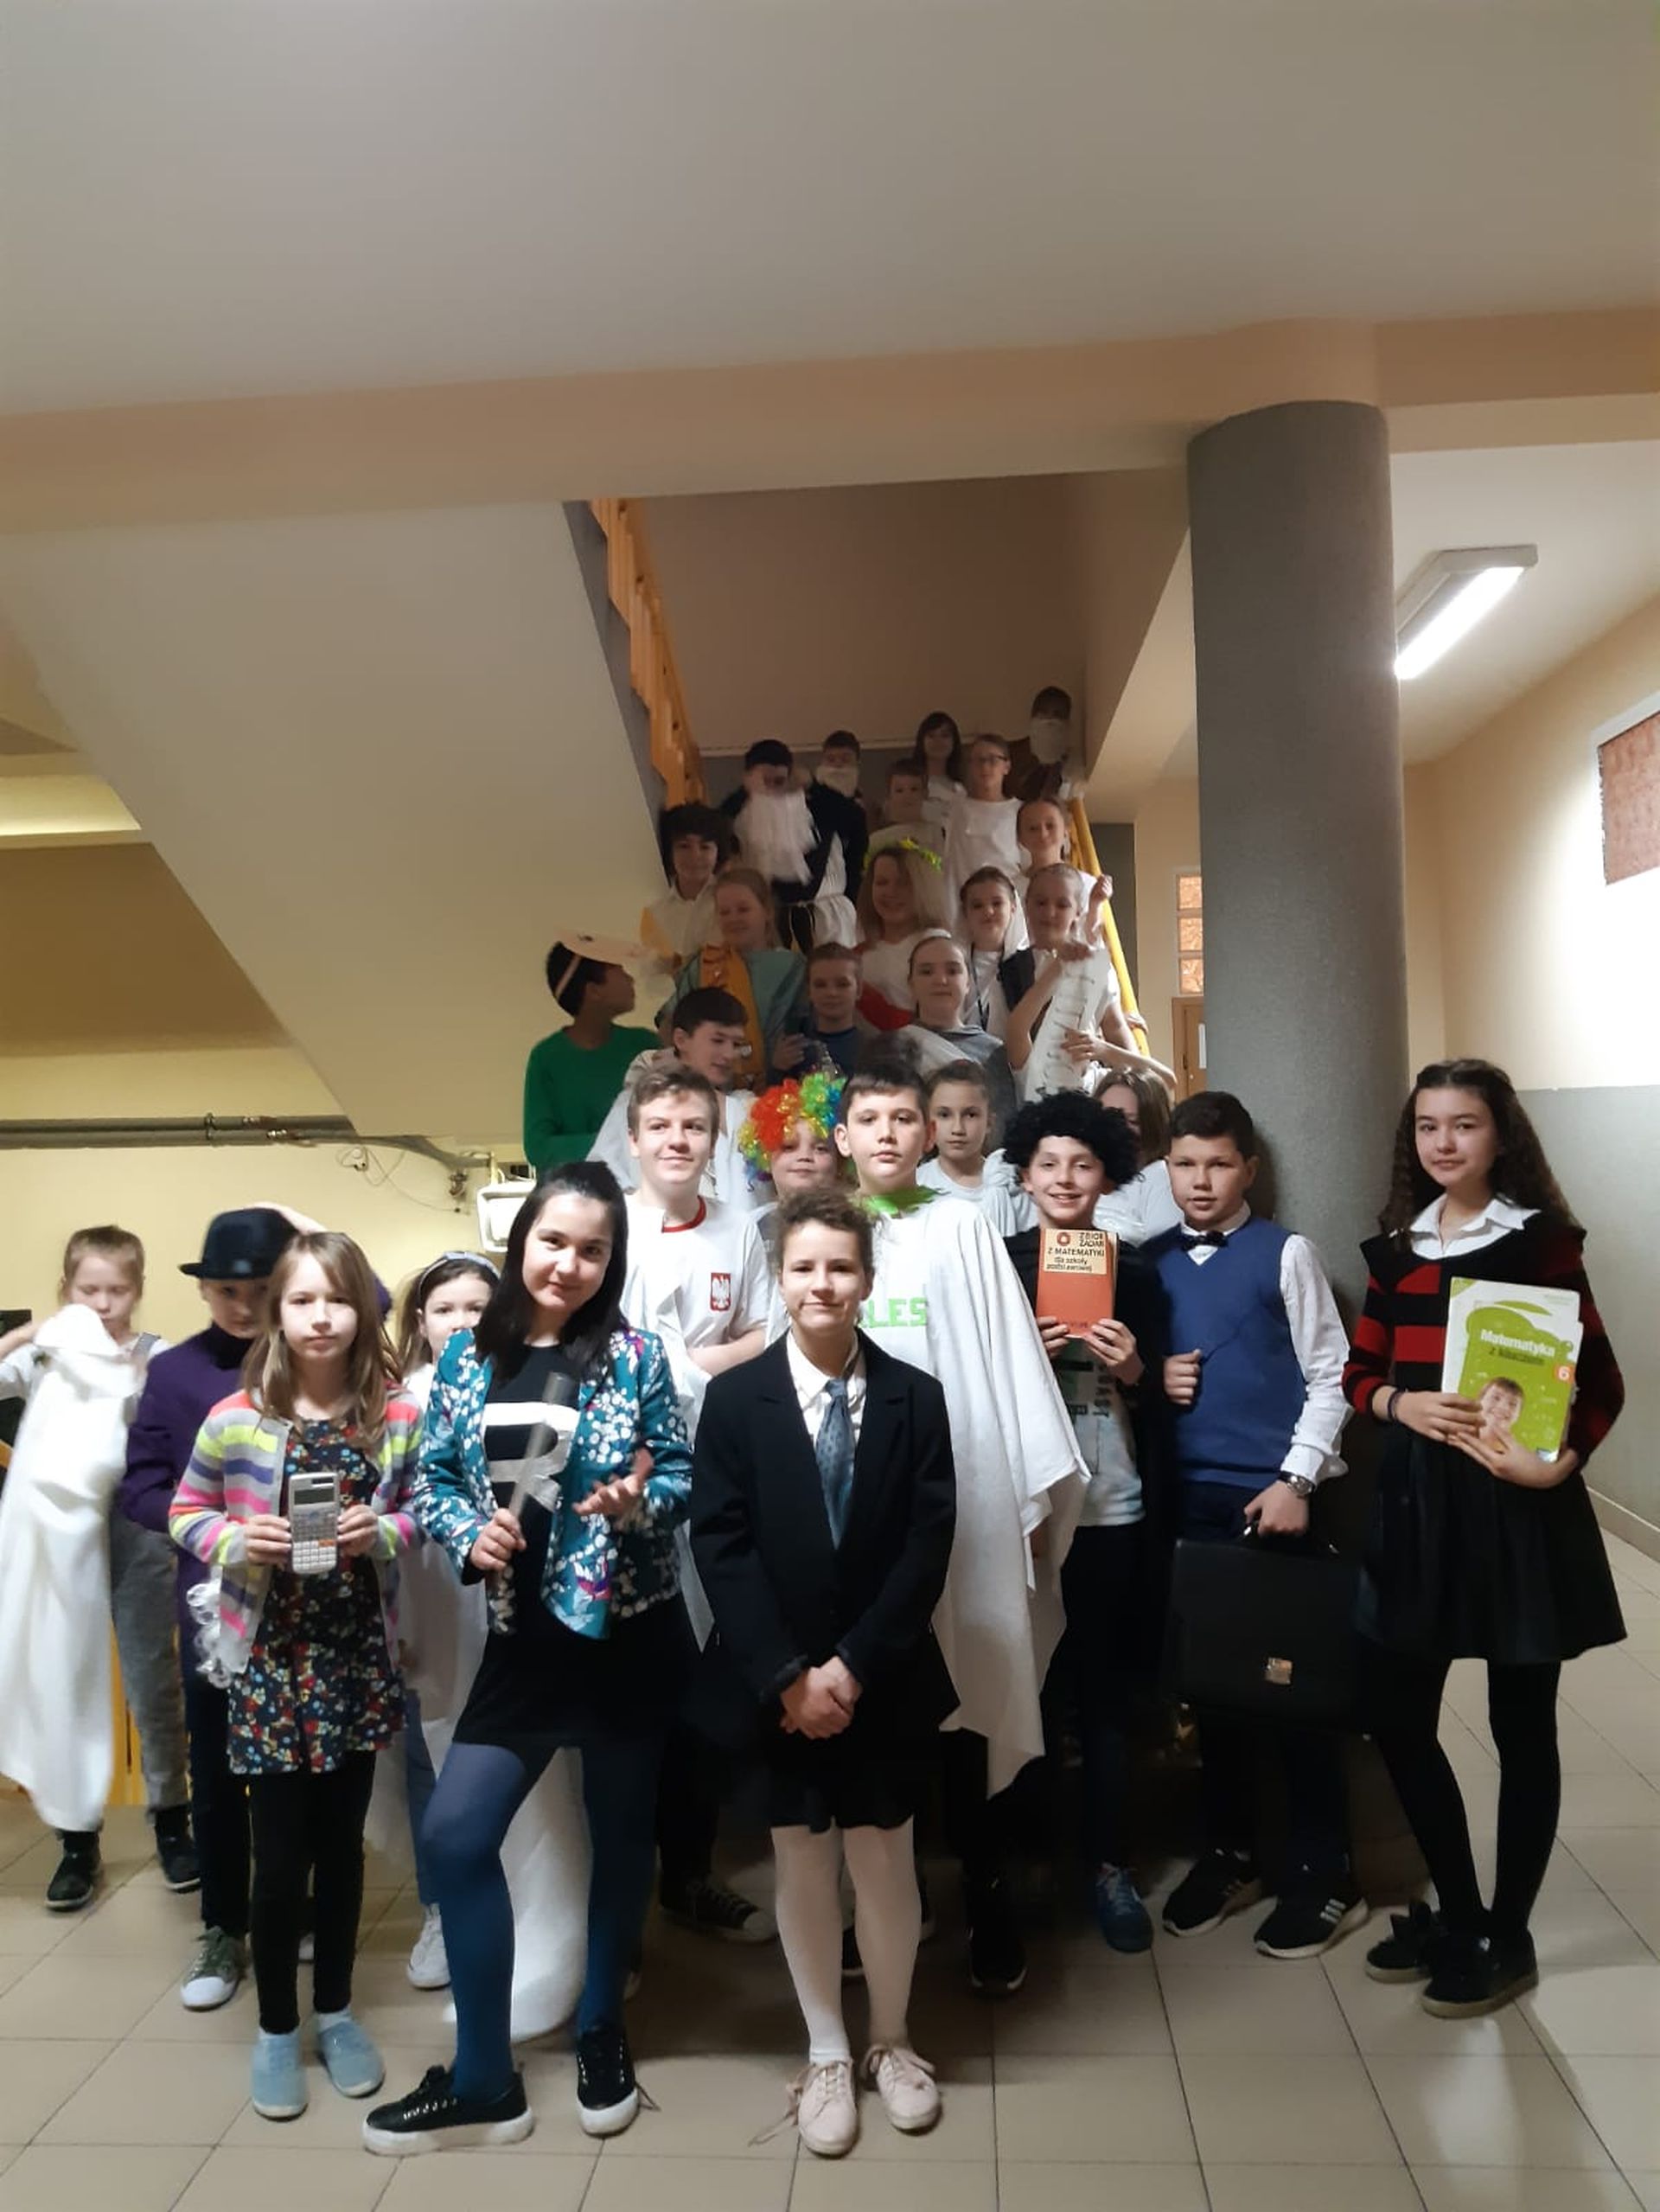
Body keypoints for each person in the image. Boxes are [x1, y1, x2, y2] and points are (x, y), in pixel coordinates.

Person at [366, 1165, 693, 2152]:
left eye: (593, 1249)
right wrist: (468, 1532)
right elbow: (436, 1478)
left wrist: (638, 1502)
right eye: (554, 1241)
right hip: (523, 1642)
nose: (569, 1263)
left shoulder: (634, 1355)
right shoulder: (470, 1359)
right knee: (457, 1836)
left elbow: (680, 1474)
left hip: (626, 1635)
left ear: (611, 1260)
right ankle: (484, 2079)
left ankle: (600, 2026)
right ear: (522, 1243)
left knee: (621, 1835)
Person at [1343, 1058, 1626, 2018]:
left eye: (1464, 1124)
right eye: (1428, 1126)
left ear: (1501, 1136)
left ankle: (1510, 1932)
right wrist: (1401, 1403)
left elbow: (1601, 1382)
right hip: (1420, 1503)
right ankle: (1460, 1914)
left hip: (1517, 1511)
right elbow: (1358, 1374)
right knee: (1397, 1713)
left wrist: (1559, 1465)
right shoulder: (1395, 1251)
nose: (1445, 1142)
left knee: (1521, 1724)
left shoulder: (1541, 1244)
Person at [693, 1189, 956, 2158]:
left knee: (885, 1856)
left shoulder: (916, 1396)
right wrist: (788, 1675)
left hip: (883, 1673)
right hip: (779, 1683)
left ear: (868, 1280)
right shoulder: (735, 1400)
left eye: (841, 1266)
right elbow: (721, 1545)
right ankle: (827, 2049)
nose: (822, 1283)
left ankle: (892, 2038)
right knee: (803, 1856)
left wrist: (854, 1664)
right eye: (804, 1266)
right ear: (780, 1277)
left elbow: (928, 1543)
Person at [834, 1059, 1083, 1995]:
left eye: (905, 1118)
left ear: (929, 1133)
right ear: (844, 1136)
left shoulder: (961, 1225)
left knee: (971, 1701)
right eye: (871, 1119)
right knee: (873, 1709)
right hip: (855, 1510)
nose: (889, 1134)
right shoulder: (822, 1228)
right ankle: (887, 1901)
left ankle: (987, 1894)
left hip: (964, 1501)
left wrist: (1025, 1497)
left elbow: (1008, 1360)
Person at [170, 1231, 420, 2123]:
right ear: (278, 1311)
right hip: (270, 1664)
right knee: (277, 1861)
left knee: (342, 1852)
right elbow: (185, 1509)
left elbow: (421, 1511)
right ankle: (278, 2027)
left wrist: (379, 1532)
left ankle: (337, 2011)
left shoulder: (395, 1415)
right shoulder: (235, 1416)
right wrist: (238, 1539)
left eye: (337, 1299)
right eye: (303, 1299)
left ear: (362, 1310)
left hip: (354, 1659)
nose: (320, 1317)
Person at [1149, 1092, 1363, 1960]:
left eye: (1218, 1164)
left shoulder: (1287, 1252)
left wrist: (1295, 1477)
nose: (1200, 1181)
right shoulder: (1147, 1259)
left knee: (1294, 1695)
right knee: (1214, 1696)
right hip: (1181, 1505)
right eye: (1185, 1164)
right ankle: (1230, 1852)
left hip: (1270, 1502)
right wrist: (1150, 1374)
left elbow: (1333, 1373)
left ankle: (1327, 1870)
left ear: (1249, 1168)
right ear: (1166, 1168)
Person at [1002, 1093, 1171, 1950]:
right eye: (1050, 1164)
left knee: (1105, 1696)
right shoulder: (997, 1266)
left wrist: (1136, 1366)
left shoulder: (1135, 1270)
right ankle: (1028, 1862)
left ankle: (1109, 1862)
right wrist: (1018, 1357)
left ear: (1108, 1175)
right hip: (1023, 1511)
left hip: (1111, 1503)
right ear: (1025, 1175)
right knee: (1025, 1694)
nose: (1066, 1179)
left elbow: (1166, 1396)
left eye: (1084, 1164)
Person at [122, 1205, 297, 2008]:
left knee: (300, 1775)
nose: (243, 1305)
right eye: (227, 1290)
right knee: (221, 1774)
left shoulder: (318, 1355)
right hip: (212, 1605)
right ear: (204, 1290)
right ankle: (223, 1927)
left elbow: (370, 1295)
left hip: (309, 1603)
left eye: (262, 1289)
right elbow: (141, 1486)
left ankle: (294, 1911)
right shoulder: (176, 1372)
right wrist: (216, 1528)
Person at [617, 1064, 776, 1945]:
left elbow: (763, 1331)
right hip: (620, 1482)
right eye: (662, 1126)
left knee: (700, 1683)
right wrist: (670, 1373)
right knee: (626, 1690)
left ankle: (689, 1872)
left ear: (714, 1139)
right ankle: (618, 1901)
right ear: (634, 1138)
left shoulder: (737, 1228)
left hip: (712, 1469)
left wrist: (685, 1367)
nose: (677, 1140)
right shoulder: (608, 1229)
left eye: (693, 1126)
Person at [0, 1225, 191, 1915]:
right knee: (62, 1672)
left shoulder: (157, 1357)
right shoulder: (43, 1357)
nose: (104, 1304)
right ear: (67, 1289)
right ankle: (75, 1840)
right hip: (59, 1533)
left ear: (137, 1291)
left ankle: (172, 1821)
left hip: (137, 1529)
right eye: (90, 1290)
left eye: (118, 1290)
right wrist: (27, 1335)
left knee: (152, 1678)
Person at [387, 1251, 501, 1992]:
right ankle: (439, 1909)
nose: (462, 1323)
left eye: (478, 1308)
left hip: (505, 1601)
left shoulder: (520, 1385)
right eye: (445, 1310)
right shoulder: (404, 1401)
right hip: (426, 1600)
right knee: (428, 1754)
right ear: (420, 1322)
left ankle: (535, 1907)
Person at [1006, 866, 1170, 1103]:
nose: (1050, 912)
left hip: (1084, 1073)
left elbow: (1114, 1027)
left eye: (1062, 905)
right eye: (1041, 903)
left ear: (1078, 911)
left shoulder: (1095, 967)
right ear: (1026, 905)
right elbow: (1015, 1031)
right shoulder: (1011, 968)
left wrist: (1115, 1056)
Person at [590, 985, 759, 1211]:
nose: (729, 1054)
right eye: (718, 1040)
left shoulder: (744, 1107)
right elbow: (600, 1181)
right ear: (681, 1039)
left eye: (736, 1044)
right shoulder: (636, 1103)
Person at [523, 937, 658, 1173]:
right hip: (572, 1190)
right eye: (619, 970)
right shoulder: (546, 1058)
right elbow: (539, 1148)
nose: (630, 979)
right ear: (594, 991)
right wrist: (618, 1141)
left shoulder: (645, 1046)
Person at [723, 739, 864, 951]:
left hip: (825, 917)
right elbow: (715, 827)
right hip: (769, 918)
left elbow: (854, 818)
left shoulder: (817, 809)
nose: (772, 788)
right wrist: (743, 793)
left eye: (779, 781)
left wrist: (813, 785)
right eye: (765, 781)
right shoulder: (738, 816)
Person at [672, 865, 808, 1083]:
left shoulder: (794, 967)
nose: (733, 918)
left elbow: (805, 1025)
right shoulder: (705, 963)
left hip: (779, 1082)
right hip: (710, 1086)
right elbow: (673, 1021)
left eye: (743, 909)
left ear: (768, 911)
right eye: (724, 912)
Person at [894, 930, 1018, 1138]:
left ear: (968, 983)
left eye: (952, 971)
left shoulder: (993, 1051)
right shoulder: (893, 1047)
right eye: (926, 972)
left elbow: (1001, 1129)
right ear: (911, 984)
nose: (941, 980)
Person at [737, 1074, 849, 1261]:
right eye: (788, 1147)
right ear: (764, 1156)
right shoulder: (748, 1229)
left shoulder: (856, 1224)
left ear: (840, 1159)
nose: (804, 1156)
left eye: (821, 1148)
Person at [854, 842, 953, 1024]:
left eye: (903, 883)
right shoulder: (859, 954)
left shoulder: (937, 944)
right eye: (882, 882)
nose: (891, 892)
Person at [640, 802, 735, 987]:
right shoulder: (656, 912)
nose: (695, 856)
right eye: (684, 846)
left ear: (718, 853)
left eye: (705, 847)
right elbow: (652, 972)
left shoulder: (731, 902)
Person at [916, 1060, 1020, 1228]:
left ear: (989, 1123)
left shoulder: (1008, 1183)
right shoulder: (915, 1185)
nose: (958, 1128)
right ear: (928, 1123)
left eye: (970, 1115)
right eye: (944, 1115)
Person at [1093, 1069, 1184, 1245]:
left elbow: (1165, 1251)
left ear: (1153, 1126)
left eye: (1132, 1121)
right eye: (1108, 1117)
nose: (1117, 1127)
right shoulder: (1081, 1171)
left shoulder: (1159, 1177)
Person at [943, 736, 1026, 926]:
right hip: (965, 906)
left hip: (1008, 903)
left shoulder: (1020, 810)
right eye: (978, 760)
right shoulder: (956, 809)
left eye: (992, 760)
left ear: (1006, 766)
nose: (985, 767)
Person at [776, 942, 868, 1078]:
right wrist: (778, 1069)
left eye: (842, 984)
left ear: (859, 990)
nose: (831, 993)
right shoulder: (793, 1051)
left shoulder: (874, 1052)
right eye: (820, 985)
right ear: (809, 991)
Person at [958, 865, 1025, 1042]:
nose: (988, 911)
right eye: (977, 906)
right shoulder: (956, 963)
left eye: (997, 903)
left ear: (1013, 908)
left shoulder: (1027, 963)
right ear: (965, 912)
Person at [868, 760, 942, 858]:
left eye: (914, 789)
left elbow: (942, 864)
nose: (907, 796)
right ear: (889, 796)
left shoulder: (934, 833)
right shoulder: (877, 840)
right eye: (899, 790)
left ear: (925, 793)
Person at [906, 711, 964, 833]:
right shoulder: (909, 782)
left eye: (945, 735)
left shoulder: (961, 788)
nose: (938, 741)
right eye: (931, 736)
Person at [813, 730, 871, 827]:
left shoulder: (867, 808)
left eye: (845, 760)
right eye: (831, 759)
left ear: (857, 762)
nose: (837, 764)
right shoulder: (808, 801)